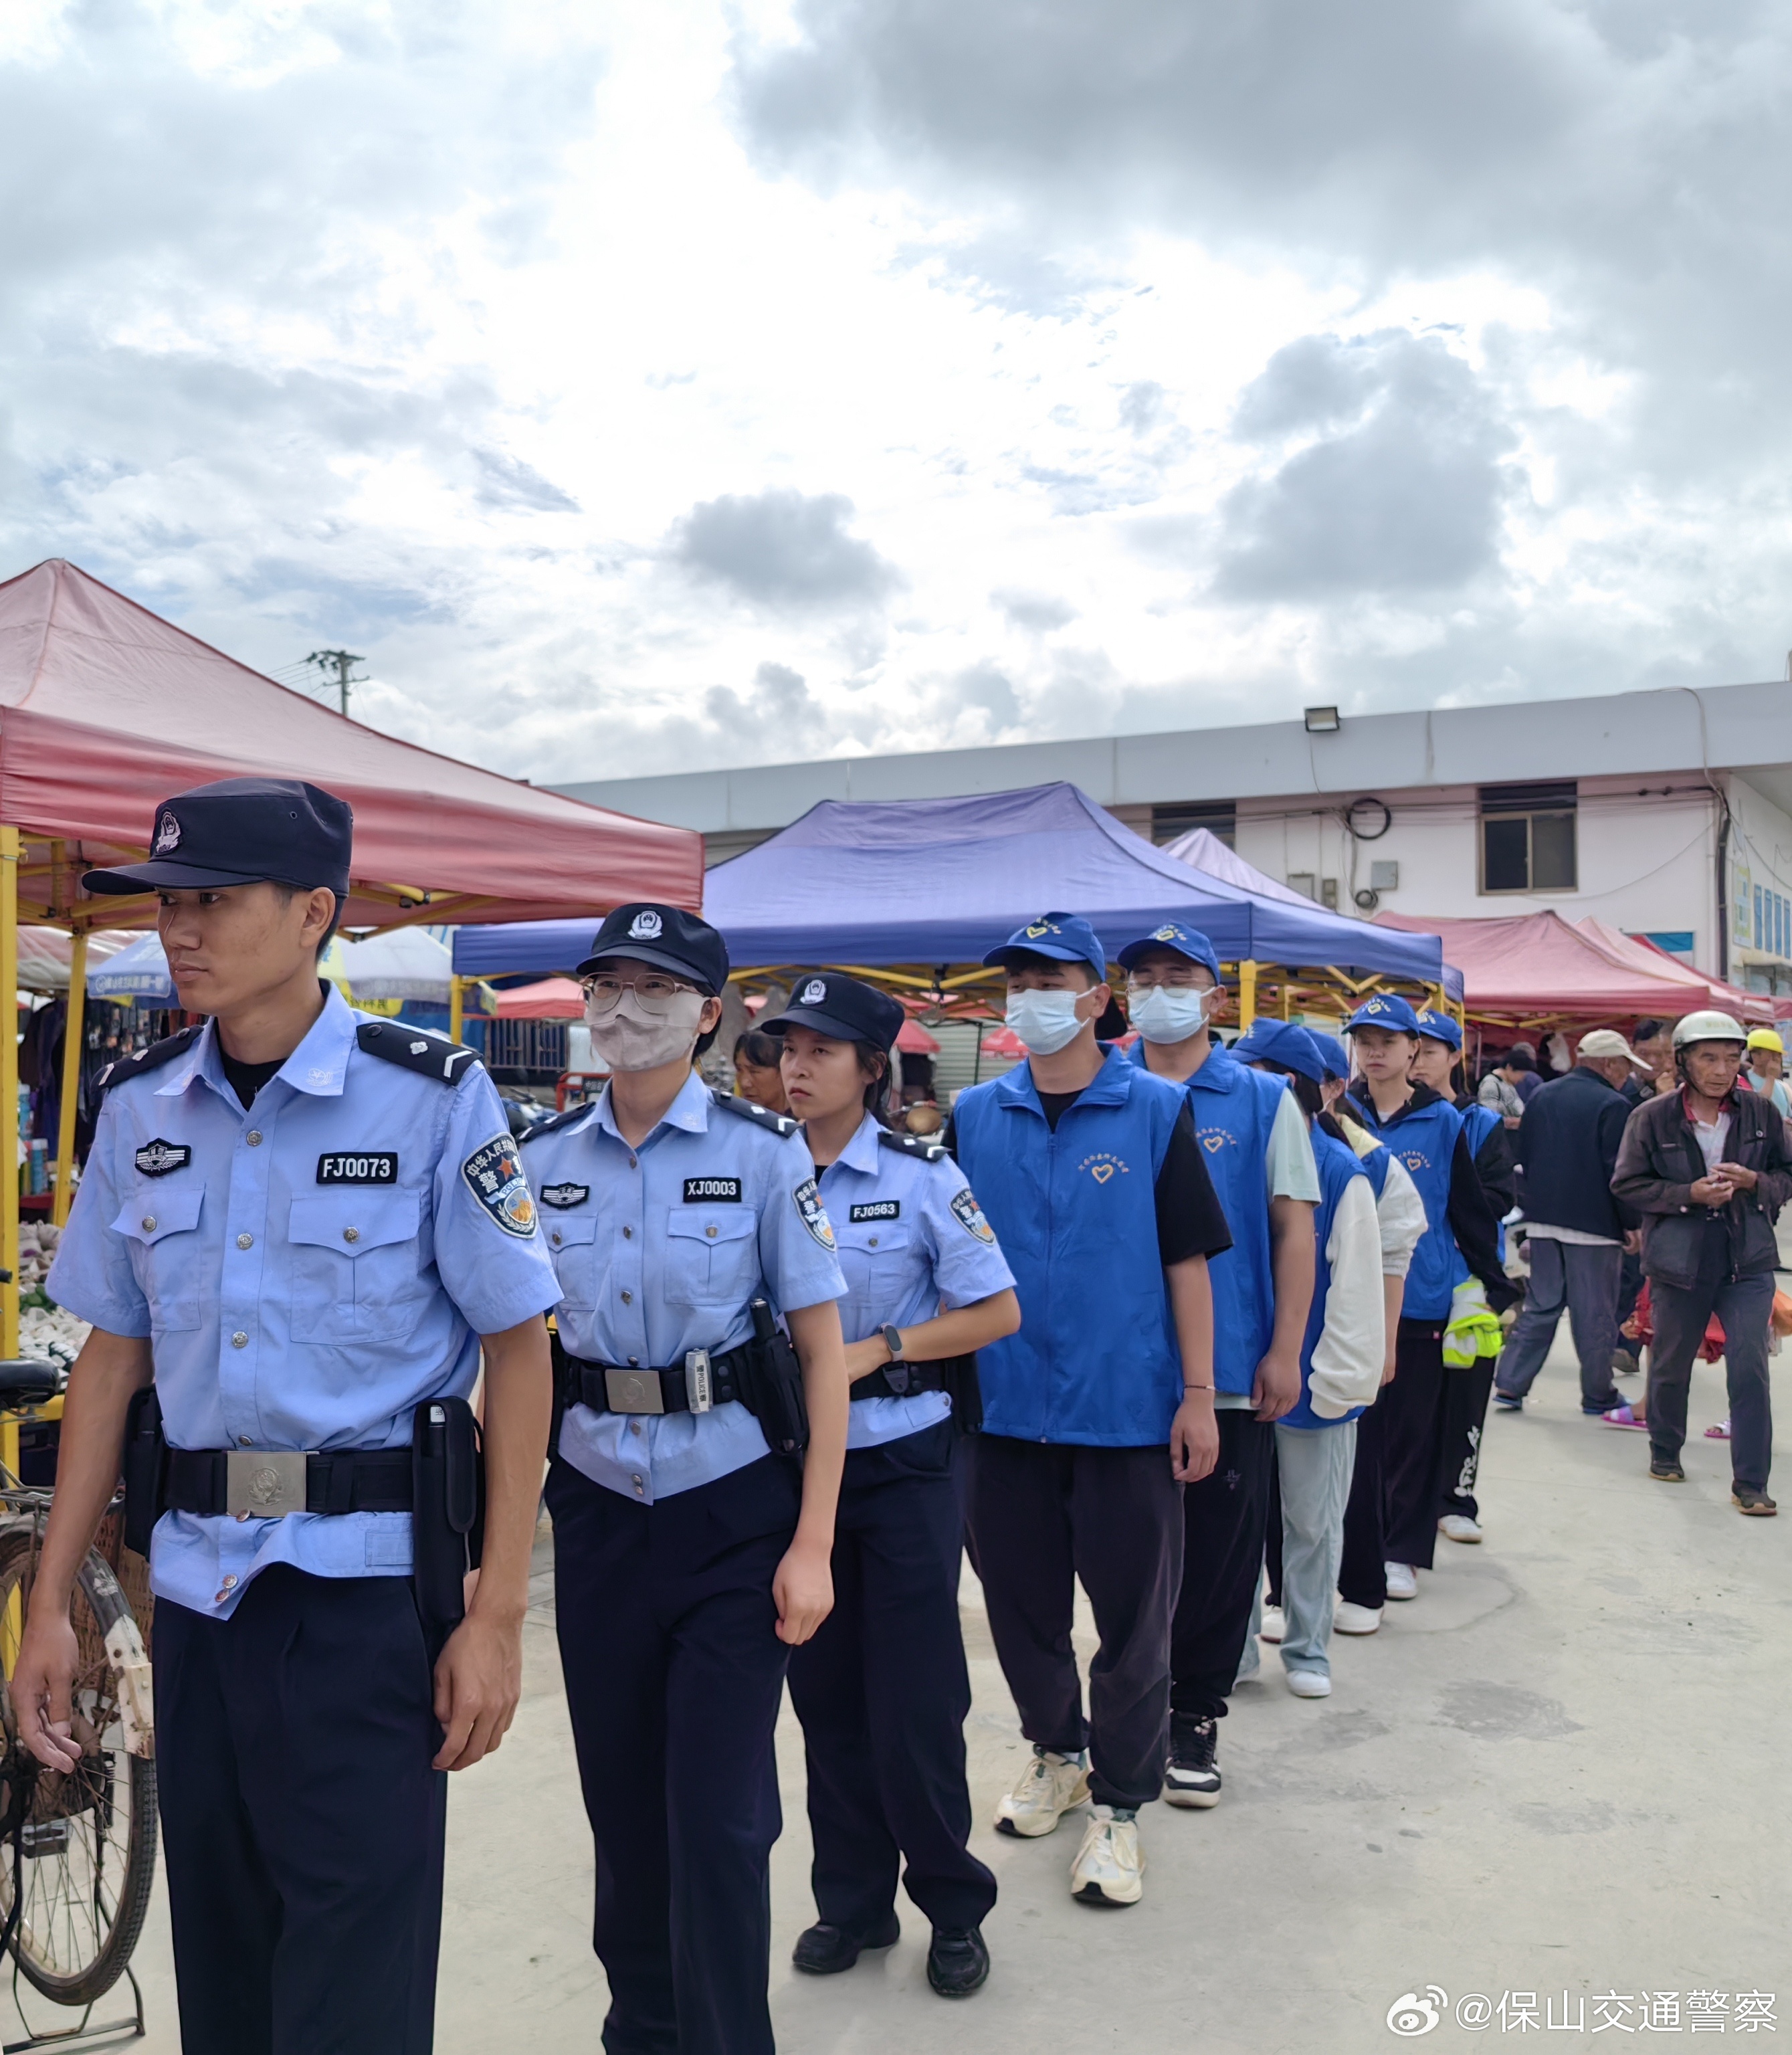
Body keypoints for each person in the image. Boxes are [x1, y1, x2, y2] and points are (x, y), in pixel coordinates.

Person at [13, 778, 561, 2055]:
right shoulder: (141, 1103)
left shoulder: (431, 1094)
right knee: (225, 1967)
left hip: (366, 1605)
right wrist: (48, 1603)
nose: (178, 929)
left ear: (314, 913)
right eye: (167, 903)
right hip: (200, 1599)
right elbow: (110, 1359)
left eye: (212, 900)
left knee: (352, 1994)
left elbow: (519, 1349)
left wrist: (494, 1613)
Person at [520, 905, 852, 2055]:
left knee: (715, 1817)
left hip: (731, 1509)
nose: (625, 1008)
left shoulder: (762, 1155)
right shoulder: (539, 1162)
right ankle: (643, 2031)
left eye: (655, 987)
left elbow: (820, 1355)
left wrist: (812, 1543)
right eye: (606, 984)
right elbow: (509, 1357)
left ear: (709, 1014)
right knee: (622, 1805)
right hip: (597, 1506)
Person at [947, 912, 1231, 1908]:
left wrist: (1199, 1396)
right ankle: (1056, 1754)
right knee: (1020, 1613)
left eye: (1049, 981)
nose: (1029, 998)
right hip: (1000, 1412)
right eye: (1016, 984)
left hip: (1125, 1415)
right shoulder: (974, 1114)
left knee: (1133, 1629)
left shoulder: (1154, 1109)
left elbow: (1186, 1262)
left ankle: (1120, 1804)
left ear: (1096, 998)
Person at [767, 973, 1018, 1999]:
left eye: (820, 1051)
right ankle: (852, 1903)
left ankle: (952, 1906)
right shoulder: (756, 1170)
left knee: (914, 1702)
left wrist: (881, 1348)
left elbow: (995, 1310)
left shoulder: (920, 1176)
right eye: (786, 1048)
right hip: (794, 1472)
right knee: (825, 1697)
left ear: (871, 1068)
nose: (795, 1067)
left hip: (902, 1462)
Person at [1112, 922, 1318, 1807]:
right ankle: (1121, 1716)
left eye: (1177, 976)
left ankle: (1193, 1713)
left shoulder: (1263, 1100)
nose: (1158, 990)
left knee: (1218, 1561)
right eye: (1143, 977)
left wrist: (1284, 1350)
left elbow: (1293, 1229)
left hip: (1229, 1372)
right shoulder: (1103, 1089)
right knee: (1123, 1560)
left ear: (1214, 996)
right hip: (1119, 1370)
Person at [1336, 995, 1517, 1613]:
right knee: (1353, 1433)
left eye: (1388, 1040)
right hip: (1345, 1294)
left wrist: (1490, 1285)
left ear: (1414, 1048)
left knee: (1412, 1434)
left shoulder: (1446, 1122)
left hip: (1422, 1299)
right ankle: (1351, 1549)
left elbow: (1468, 1208)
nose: (1374, 1052)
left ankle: (1401, 1551)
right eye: (1364, 1041)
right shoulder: (1337, 1112)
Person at [1227, 1022, 1383, 1698]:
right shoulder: (1226, 1158)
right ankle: (1230, 1651)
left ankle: (1307, 1647)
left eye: (1263, 1078)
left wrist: (1339, 1383)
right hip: (1232, 1377)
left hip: (1315, 1381)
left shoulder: (1341, 1171)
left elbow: (1357, 1288)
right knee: (1232, 1526)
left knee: (1312, 1524)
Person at [1611, 1010, 1791, 1514]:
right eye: (1709, 1058)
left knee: (1750, 1370)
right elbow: (1627, 1184)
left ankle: (1750, 1483)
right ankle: (1665, 1449)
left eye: (1731, 1059)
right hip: (1678, 1262)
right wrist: (1687, 1194)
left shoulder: (1761, 1114)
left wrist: (1755, 1183)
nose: (1721, 1070)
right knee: (1670, 1364)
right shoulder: (1651, 1117)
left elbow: (1787, 1174)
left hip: (1747, 1260)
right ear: (1683, 1062)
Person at [1310, 1034, 1429, 1637]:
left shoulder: (1365, 1159)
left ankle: (1362, 1581)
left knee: (1352, 1468)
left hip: (1343, 1334)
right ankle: (1283, 1595)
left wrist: (1383, 1341)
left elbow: (1396, 1249)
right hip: (1265, 1342)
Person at [1492, 1030, 1644, 1420]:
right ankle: (1598, 1393)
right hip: (1595, 1225)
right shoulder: (1613, 1104)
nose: (1627, 1074)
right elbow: (1617, 1172)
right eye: (1624, 1066)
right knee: (1594, 1315)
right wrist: (1631, 1222)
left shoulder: (1543, 1095)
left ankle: (1510, 1383)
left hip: (1543, 1219)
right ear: (1609, 1063)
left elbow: (1525, 1154)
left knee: (1541, 1306)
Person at [1412, 1008, 1514, 1545]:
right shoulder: (1375, 1115)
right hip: (1406, 1282)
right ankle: (1403, 1502)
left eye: (1429, 1051)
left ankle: (1455, 1498)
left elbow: (1498, 1198)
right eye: (1412, 1050)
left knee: (1465, 1393)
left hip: (1467, 1282)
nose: (1417, 1062)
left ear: (1455, 1056)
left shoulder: (1480, 1123)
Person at [734, 1026, 790, 1113]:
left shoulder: (807, 1120)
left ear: (784, 1070)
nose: (744, 1083)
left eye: (754, 1071)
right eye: (739, 1070)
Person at [1623, 1019, 1677, 1106]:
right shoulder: (1622, 1091)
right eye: (1643, 1053)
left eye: (1659, 1054)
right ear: (1632, 1051)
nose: (1652, 1061)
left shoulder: (1687, 1088)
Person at [1477, 1048, 1532, 1127]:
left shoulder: (1508, 1084)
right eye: (1521, 1074)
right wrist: (1515, 1122)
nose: (1521, 1079)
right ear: (1509, 1067)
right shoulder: (1491, 1084)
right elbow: (1489, 1119)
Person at [1743, 1028, 1791, 1116]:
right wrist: (1770, 1078)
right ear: (1756, 1056)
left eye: (1778, 1055)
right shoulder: (1743, 1081)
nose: (1777, 1059)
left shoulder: (1782, 1087)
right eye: (1773, 1055)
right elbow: (1757, 1109)